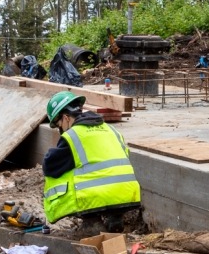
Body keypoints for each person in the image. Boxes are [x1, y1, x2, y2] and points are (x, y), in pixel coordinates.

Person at [40, 91, 142, 234]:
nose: (60, 130)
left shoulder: (73, 136)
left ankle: (91, 222)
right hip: (127, 194)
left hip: (96, 198)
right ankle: (115, 218)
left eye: (59, 125)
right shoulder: (110, 129)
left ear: (66, 118)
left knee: (64, 173)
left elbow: (50, 166)